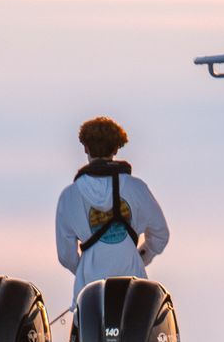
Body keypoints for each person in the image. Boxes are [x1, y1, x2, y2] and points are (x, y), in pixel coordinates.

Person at [55, 116, 169, 302]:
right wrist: (140, 258)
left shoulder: (69, 196)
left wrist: (84, 268)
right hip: (133, 292)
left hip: (88, 295)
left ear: (85, 148)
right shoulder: (137, 188)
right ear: (116, 148)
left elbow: (65, 254)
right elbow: (160, 235)